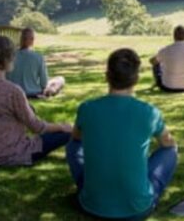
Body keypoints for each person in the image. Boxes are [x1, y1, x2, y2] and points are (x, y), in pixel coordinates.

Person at [66, 48, 178, 220]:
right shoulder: (149, 112)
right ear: (136, 78)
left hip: (91, 205)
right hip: (137, 209)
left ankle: (95, 188)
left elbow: (76, 138)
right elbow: (167, 144)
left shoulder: (87, 108)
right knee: (170, 150)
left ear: (107, 76)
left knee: (73, 146)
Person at [0, 35, 72, 166]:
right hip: (10, 154)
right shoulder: (12, 91)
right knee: (67, 132)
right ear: (9, 58)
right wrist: (62, 127)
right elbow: (37, 127)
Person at [6, 28, 65, 98]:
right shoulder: (38, 57)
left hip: (13, 92)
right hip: (33, 92)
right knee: (60, 79)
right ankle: (50, 92)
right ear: (32, 40)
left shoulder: (10, 56)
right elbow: (44, 83)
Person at [149, 25, 184, 93]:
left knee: (156, 64)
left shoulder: (167, 49)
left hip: (168, 87)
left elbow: (152, 61)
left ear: (174, 36)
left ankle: (156, 83)